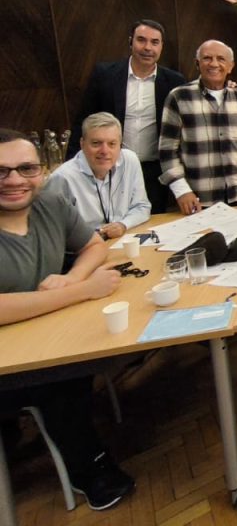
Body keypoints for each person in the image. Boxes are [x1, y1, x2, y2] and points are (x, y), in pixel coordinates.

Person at [0, 128, 134, 510]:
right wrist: (79, 291)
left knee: (84, 356)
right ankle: (89, 468)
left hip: (41, 329)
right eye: (2, 171)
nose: (14, 180)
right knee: (64, 377)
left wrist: (72, 275)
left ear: (40, 171)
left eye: (25, 168)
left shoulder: (50, 202)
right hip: (10, 357)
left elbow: (93, 245)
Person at [71, 19, 186, 213]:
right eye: (141, 40)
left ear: (161, 46)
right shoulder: (105, 75)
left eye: (154, 42)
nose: (147, 47)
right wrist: (73, 165)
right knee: (112, 223)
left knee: (152, 224)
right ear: (131, 42)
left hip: (155, 171)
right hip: (112, 168)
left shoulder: (175, 81)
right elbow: (84, 120)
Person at [159, 40, 237, 213]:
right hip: (199, 198)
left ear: (230, 66)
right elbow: (167, 150)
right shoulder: (179, 97)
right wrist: (181, 190)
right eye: (207, 58)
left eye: (221, 59)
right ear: (197, 64)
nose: (214, 64)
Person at [48, 112, 150, 237]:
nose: (104, 151)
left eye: (112, 144)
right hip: (83, 247)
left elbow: (142, 206)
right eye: (96, 143)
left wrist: (123, 225)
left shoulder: (130, 160)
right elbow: (53, 229)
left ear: (120, 145)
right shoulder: (62, 178)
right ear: (82, 144)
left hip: (124, 238)